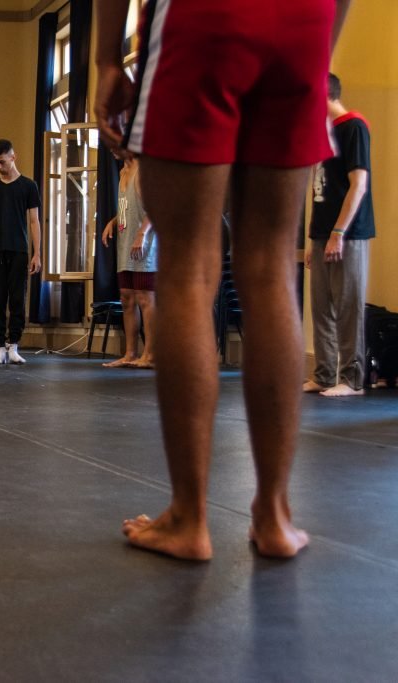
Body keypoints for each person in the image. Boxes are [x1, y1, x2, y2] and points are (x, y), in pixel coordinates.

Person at [95, 0, 351, 560]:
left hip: (204, 20)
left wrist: (107, 62)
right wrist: (317, 46)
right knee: (272, 267)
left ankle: (188, 518)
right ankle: (276, 517)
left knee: (186, 268)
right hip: (303, 24)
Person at [303, 73, 375, 398]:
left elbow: (358, 185)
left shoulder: (353, 127)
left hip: (347, 234)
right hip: (322, 234)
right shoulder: (322, 134)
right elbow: (318, 191)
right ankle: (323, 373)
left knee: (348, 304)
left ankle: (352, 378)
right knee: (321, 306)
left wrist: (338, 232)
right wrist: (312, 239)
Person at [0, 140, 42, 365]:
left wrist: (37, 253)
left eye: (2, 162)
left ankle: (13, 345)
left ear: (13, 157)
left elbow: (34, 221)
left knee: (17, 299)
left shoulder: (28, 186)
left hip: (19, 250)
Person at [100, 156, 156, 369]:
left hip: (145, 243)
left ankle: (150, 355)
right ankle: (130, 353)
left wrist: (142, 234)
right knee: (126, 298)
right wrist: (113, 222)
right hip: (125, 243)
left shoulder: (144, 169)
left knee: (145, 298)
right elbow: (129, 207)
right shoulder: (123, 172)